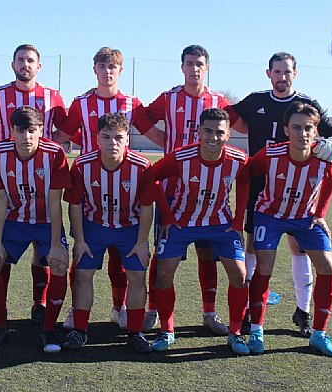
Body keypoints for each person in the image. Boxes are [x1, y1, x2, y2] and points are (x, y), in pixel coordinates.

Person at [231, 52, 332, 336]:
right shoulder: (255, 101)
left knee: (299, 247)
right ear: (269, 74)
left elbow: (329, 134)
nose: (282, 77)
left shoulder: (306, 104)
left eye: (287, 72)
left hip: (299, 190)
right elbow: (230, 116)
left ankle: (303, 311)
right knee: (253, 249)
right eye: (277, 72)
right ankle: (249, 312)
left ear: (295, 74)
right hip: (262, 186)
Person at [54, 47, 163, 330]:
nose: (107, 71)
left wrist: (183, 151)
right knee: (82, 257)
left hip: (123, 185)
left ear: (120, 71)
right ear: (95, 70)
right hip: (90, 184)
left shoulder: (132, 104)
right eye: (102, 66)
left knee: (121, 259)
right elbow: (63, 134)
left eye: (112, 66)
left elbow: (155, 135)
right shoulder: (81, 103)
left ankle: (119, 307)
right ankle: (75, 311)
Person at [143, 44, 245, 334]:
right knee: (162, 254)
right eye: (189, 63)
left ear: (207, 67)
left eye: (199, 63)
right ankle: (153, 310)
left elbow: (242, 127)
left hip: (208, 191)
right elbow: (141, 119)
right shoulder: (170, 97)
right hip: (173, 189)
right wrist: (163, 139)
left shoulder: (219, 101)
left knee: (207, 253)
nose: (194, 68)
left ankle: (209, 314)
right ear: (182, 67)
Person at [0, 44, 68, 324]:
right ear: (13, 64)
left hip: (42, 176)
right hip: (9, 180)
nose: (25, 64)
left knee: (46, 253)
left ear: (38, 66)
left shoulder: (54, 96)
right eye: (20, 60)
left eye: (30, 60)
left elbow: (66, 127)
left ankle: (40, 304)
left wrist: (52, 149)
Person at [150, 108, 250, 354]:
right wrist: (168, 215)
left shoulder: (238, 159)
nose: (212, 137)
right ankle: (167, 330)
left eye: (219, 132)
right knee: (163, 272)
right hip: (182, 222)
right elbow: (151, 177)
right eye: (207, 131)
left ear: (228, 135)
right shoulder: (181, 157)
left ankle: (235, 333)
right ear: (198, 131)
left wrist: (238, 220)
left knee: (239, 274)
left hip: (220, 223)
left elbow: (246, 180)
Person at [247, 101, 332, 357]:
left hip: (305, 218)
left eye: (308, 128)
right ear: (287, 130)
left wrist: (320, 214)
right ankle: (256, 330)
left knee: (327, 266)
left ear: (316, 130)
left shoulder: (326, 156)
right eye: (296, 127)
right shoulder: (271, 154)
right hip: (270, 216)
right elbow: (246, 172)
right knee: (264, 265)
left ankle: (319, 335)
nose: (303, 133)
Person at [62, 112, 156, 353]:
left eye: (118, 137)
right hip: (95, 225)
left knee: (137, 276)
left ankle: (135, 332)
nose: (112, 143)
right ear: (96, 139)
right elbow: (75, 205)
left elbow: (147, 207)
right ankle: (80, 329)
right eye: (106, 137)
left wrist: (142, 242)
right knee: (82, 273)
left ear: (127, 140)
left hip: (130, 227)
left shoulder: (142, 166)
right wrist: (80, 240)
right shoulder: (83, 165)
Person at [0, 106, 71, 352]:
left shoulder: (54, 154)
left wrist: (55, 244)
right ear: (11, 130)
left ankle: (49, 330)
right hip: (13, 221)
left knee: (59, 261)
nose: (26, 137)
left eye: (32, 131)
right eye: (20, 131)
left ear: (41, 131)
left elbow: (55, 202)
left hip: (45, 222)